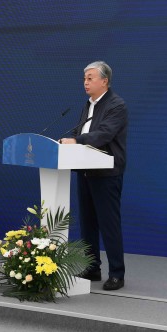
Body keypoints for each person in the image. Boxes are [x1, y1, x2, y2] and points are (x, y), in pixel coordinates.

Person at [60, 61, 128, 291]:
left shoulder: (116, 105)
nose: (85, 82)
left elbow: (104, 134)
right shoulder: (88, 105)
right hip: (86, 171)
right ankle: (92, 268)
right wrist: (67, 141)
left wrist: (76, 140)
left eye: (90, 78)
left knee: (109, 224)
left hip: (106, 173)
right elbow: (81, 132)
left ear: (104, 81)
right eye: (84, 79)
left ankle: (117, 273)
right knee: (87, 223)